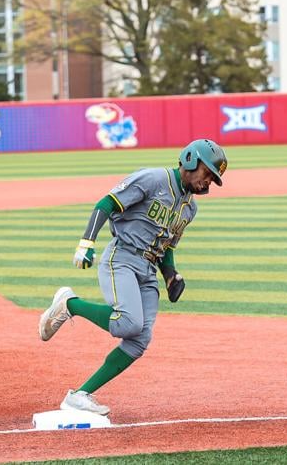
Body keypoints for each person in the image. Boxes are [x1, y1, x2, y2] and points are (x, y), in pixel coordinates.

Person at [38, 138, 228, 416]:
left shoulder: (190, 208)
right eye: (208, 173)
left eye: (213, 178)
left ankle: (79, 395)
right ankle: (69, 304)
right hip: (122, 258)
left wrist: (171, 275)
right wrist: (86, 243)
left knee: (139, 340)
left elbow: (167, 247)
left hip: (148, 272)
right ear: (190, 160)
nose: (208, 181)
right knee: (127, 323)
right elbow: (107, 203)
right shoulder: (153, 179)